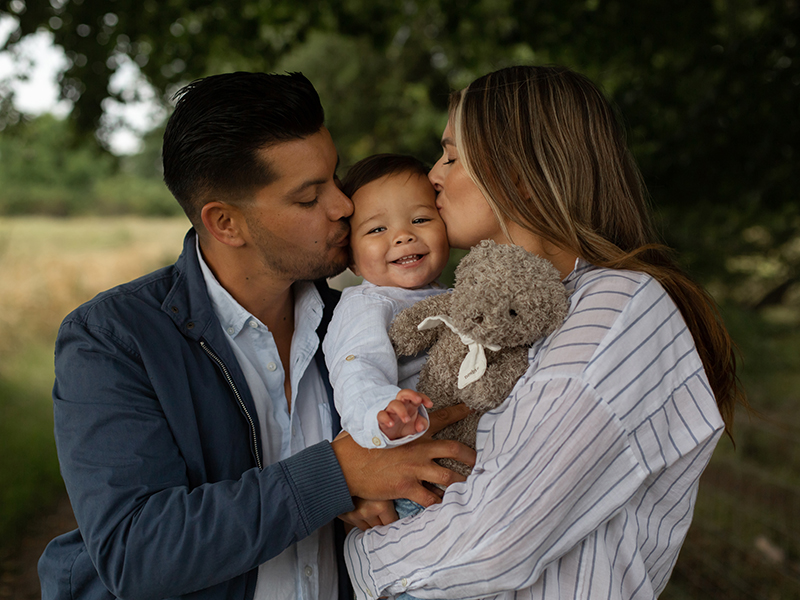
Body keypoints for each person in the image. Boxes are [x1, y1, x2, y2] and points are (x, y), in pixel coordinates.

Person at [37, 71, 475, 600]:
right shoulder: (114, 339)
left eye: (334, 178)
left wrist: (355, 500)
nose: (343, 205)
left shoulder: (366, 325)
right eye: (310, 198)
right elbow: (137, 553)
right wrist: (335, 476)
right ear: (225, 223)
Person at [344, 65, 746, 600]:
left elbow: (493, 541)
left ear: (520, 177)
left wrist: (352, 555)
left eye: (451, 155)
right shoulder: (511, 311)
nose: (433, 174)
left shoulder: (617, 308)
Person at [323, 154, 451, 528]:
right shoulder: (368, 303)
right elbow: (356, 367)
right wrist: (384, 414)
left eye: (421, 219)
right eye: (377, 230)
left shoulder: (449, 296)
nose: (402, 235)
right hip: (403, 473)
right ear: (352, 260)